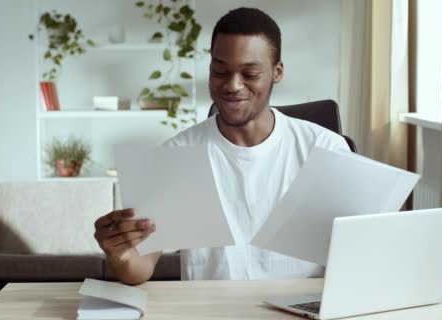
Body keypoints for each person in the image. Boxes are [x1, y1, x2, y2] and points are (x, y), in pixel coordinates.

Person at [93, 7, 349, 285]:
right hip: (213, 309)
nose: (232, 85)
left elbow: (356, 255)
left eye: (250, 73)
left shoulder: (326, 149)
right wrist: (120, 254)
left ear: (277, 72)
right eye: (220, 71)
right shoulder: (176, 155)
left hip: (301, 309)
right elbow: (140, 269)